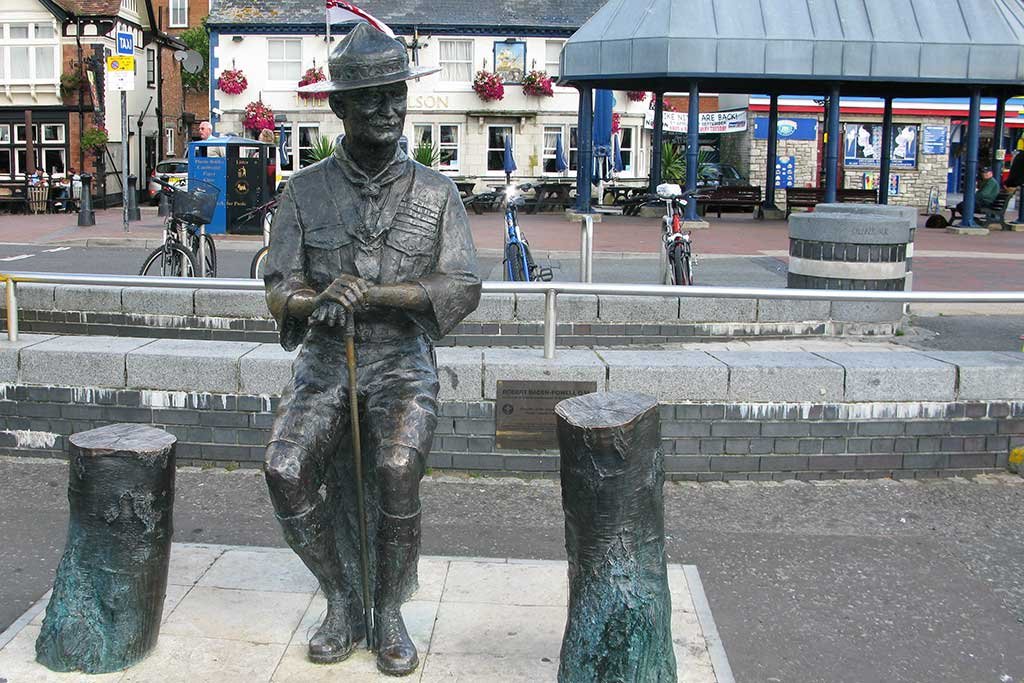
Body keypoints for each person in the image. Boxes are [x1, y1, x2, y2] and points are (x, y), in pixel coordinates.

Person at [262, 23, 479, 676]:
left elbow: (462, 283)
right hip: (327, 365)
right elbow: (279, 287)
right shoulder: (302, 193)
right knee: (284, 467)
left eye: (395, 96)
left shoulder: (436, 194)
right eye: (371, 98)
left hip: (401, 367)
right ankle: (343, 595)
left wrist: (382, 295)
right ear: (339, 108)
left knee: (395, 466)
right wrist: (314, 301)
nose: (387, 110)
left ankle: (388, 608)